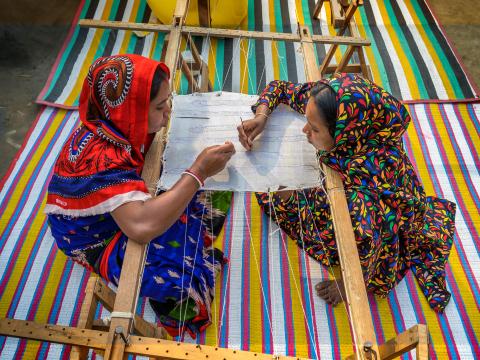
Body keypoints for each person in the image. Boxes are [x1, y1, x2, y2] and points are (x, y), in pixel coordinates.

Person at [45, 54, 235, 337]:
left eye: (168, 100)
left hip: (121, 212)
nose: (169, 111)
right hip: (98, 237)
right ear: (130, 111)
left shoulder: (113, 124)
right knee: (180, 280)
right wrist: (197, 172)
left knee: (215, 185)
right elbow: (140, 227)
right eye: (160, 106)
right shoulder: (102, 161)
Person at [237, 73, 456, 312]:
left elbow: (371, 243)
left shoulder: (363, 195)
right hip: (367, 199)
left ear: (343, 133)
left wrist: (348, 283)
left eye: (314, 129)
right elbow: (279, 87)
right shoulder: (342, 108)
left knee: (279, 198)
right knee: (277, 194)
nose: (304, 129)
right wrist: (262, 116)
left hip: (384, 225)